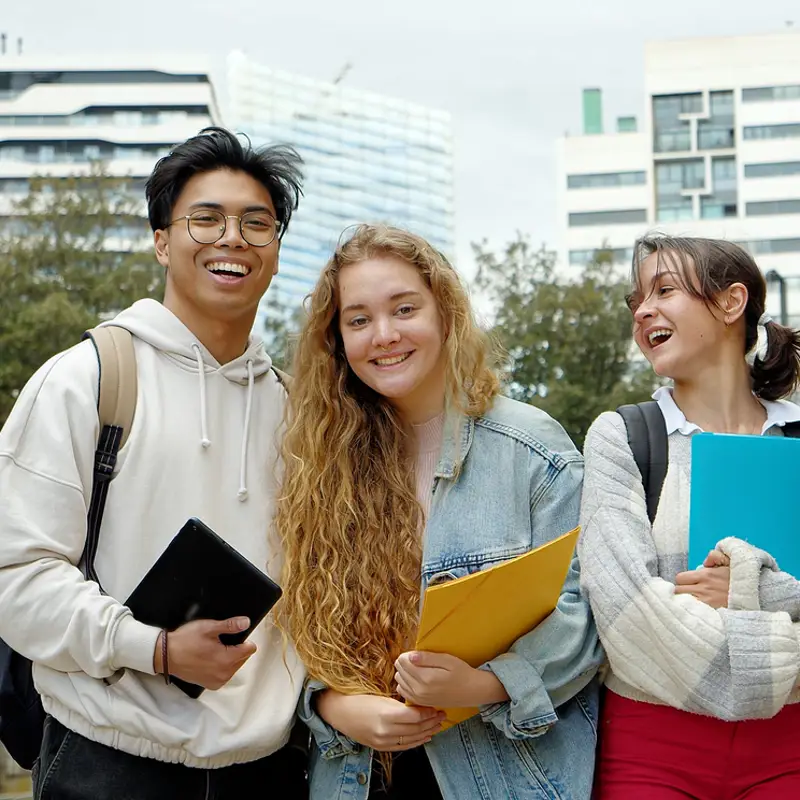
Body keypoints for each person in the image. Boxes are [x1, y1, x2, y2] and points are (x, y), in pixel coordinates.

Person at [0, 127, 309, 798]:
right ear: (162, 240)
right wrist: (155, 649)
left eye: (257, 224)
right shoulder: (88, 379)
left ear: (277, 251)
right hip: (107, 762)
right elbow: (16, 579)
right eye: (206, 218)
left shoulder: (296, 411)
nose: (233, 238)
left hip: (269, 770)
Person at [274, 224, 604, 800]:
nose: (384, 335)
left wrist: (484, 683)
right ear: (337, 340)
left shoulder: (531, 448)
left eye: (404, 309)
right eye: (358, 320)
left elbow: (588, 615)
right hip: (356, 778)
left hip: (502, 774)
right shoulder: (320, 467)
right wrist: (333, 704)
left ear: (445, 314)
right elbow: (299, 633)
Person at [579, 235, 800, 800]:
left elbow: (679, 598)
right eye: (637, 300)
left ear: (731, 303)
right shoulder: (621, 437)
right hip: (652, 744)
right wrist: (782, 616)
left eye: (665, 290)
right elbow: (625, 610)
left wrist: (746, 591)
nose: (642, 311)